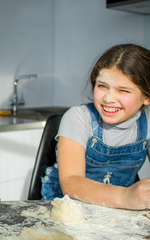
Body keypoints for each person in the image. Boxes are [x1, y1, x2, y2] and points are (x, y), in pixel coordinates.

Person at [41, 43, 150, 210]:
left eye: (123, 91)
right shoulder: (78, 118)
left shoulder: (148, 123)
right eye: (102, 86)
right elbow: (71, 182)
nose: (108, 98)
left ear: (146, 97)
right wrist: (126, 196)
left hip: (117, 211)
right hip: (66, 209)